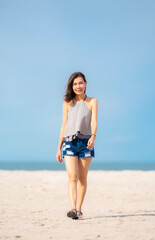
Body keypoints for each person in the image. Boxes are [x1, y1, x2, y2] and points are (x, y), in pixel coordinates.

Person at [56, 72, 98, 220]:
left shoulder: (93, 101)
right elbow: (64, 125)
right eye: (74, 84)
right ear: (71, 86)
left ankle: (79, 210)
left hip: (86, 143)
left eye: (80, 83)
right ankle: (73, 208)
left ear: (85, 83)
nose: (78, 86)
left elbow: (94, 122)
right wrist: (58, 147)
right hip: (69, 143)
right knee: (72, 176)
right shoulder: (67, 102)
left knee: (82, 178)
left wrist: (93, 136)